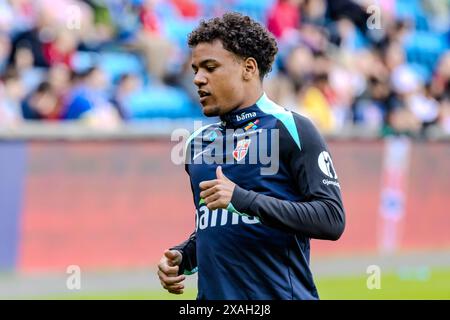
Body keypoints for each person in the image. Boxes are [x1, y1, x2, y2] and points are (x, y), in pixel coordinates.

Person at [157, 12, 345, 300]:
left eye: (210, 67)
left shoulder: (292, 128)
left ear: (248, 68)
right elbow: (218, 229)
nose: (197, 79)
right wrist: (184, 256)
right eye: (195, 69)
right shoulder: (197, 144)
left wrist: (242, 199)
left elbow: (331, 219)